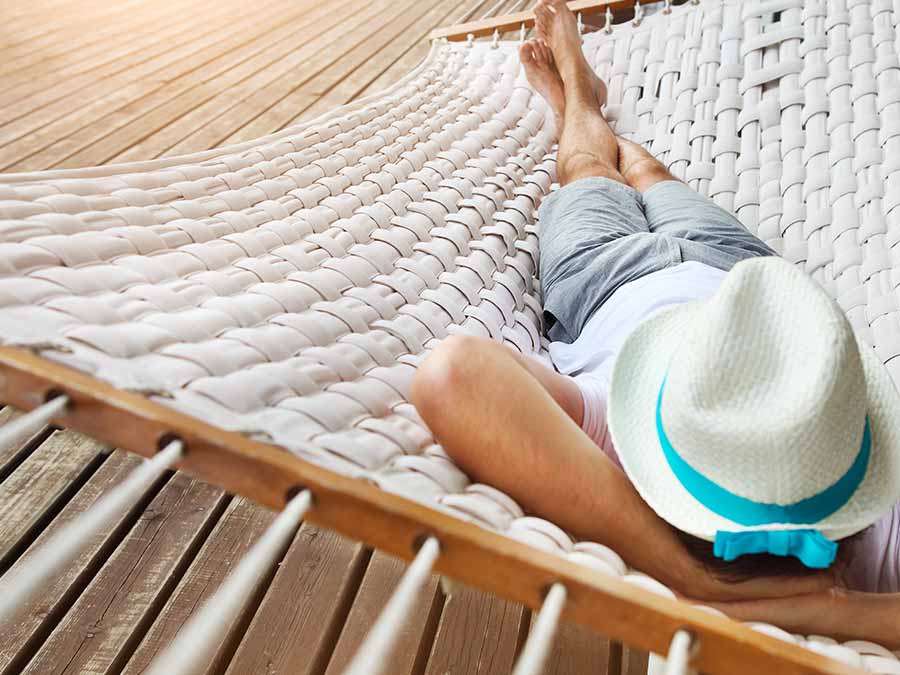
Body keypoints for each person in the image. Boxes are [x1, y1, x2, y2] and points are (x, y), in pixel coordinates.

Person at [410, 0, 900, 647]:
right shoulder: (860, 492)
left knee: (590, 169)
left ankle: (575, 98)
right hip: (745, 283)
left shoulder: (622, 448)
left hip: (607, 277)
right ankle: (585, 101)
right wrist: (827, 608)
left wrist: (687, 579)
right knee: (652, 173)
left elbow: (453, 374)